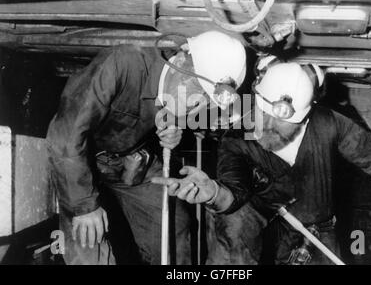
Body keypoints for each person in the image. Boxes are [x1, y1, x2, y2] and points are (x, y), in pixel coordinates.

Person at [152, 62, 371, 265]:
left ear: (305, 117)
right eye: (263, 114)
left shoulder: (328, 124)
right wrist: (212, 193)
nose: (267, 127)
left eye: (281, 124)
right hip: (265, 226)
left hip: (320, 231)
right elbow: (234, 192)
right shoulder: (235, 140)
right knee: (233, 227)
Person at [46, 30, 247, 265]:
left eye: (208, 100)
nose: (199, 104)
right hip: (78, 163)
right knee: (89, 243)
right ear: (181, 61)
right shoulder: (123, 64)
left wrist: (172, 132)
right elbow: (65, 135)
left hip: (132, 163)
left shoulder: (176, 90)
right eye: (200, 91)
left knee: (173, 226)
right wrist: (83, 206)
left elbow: (167, 114)